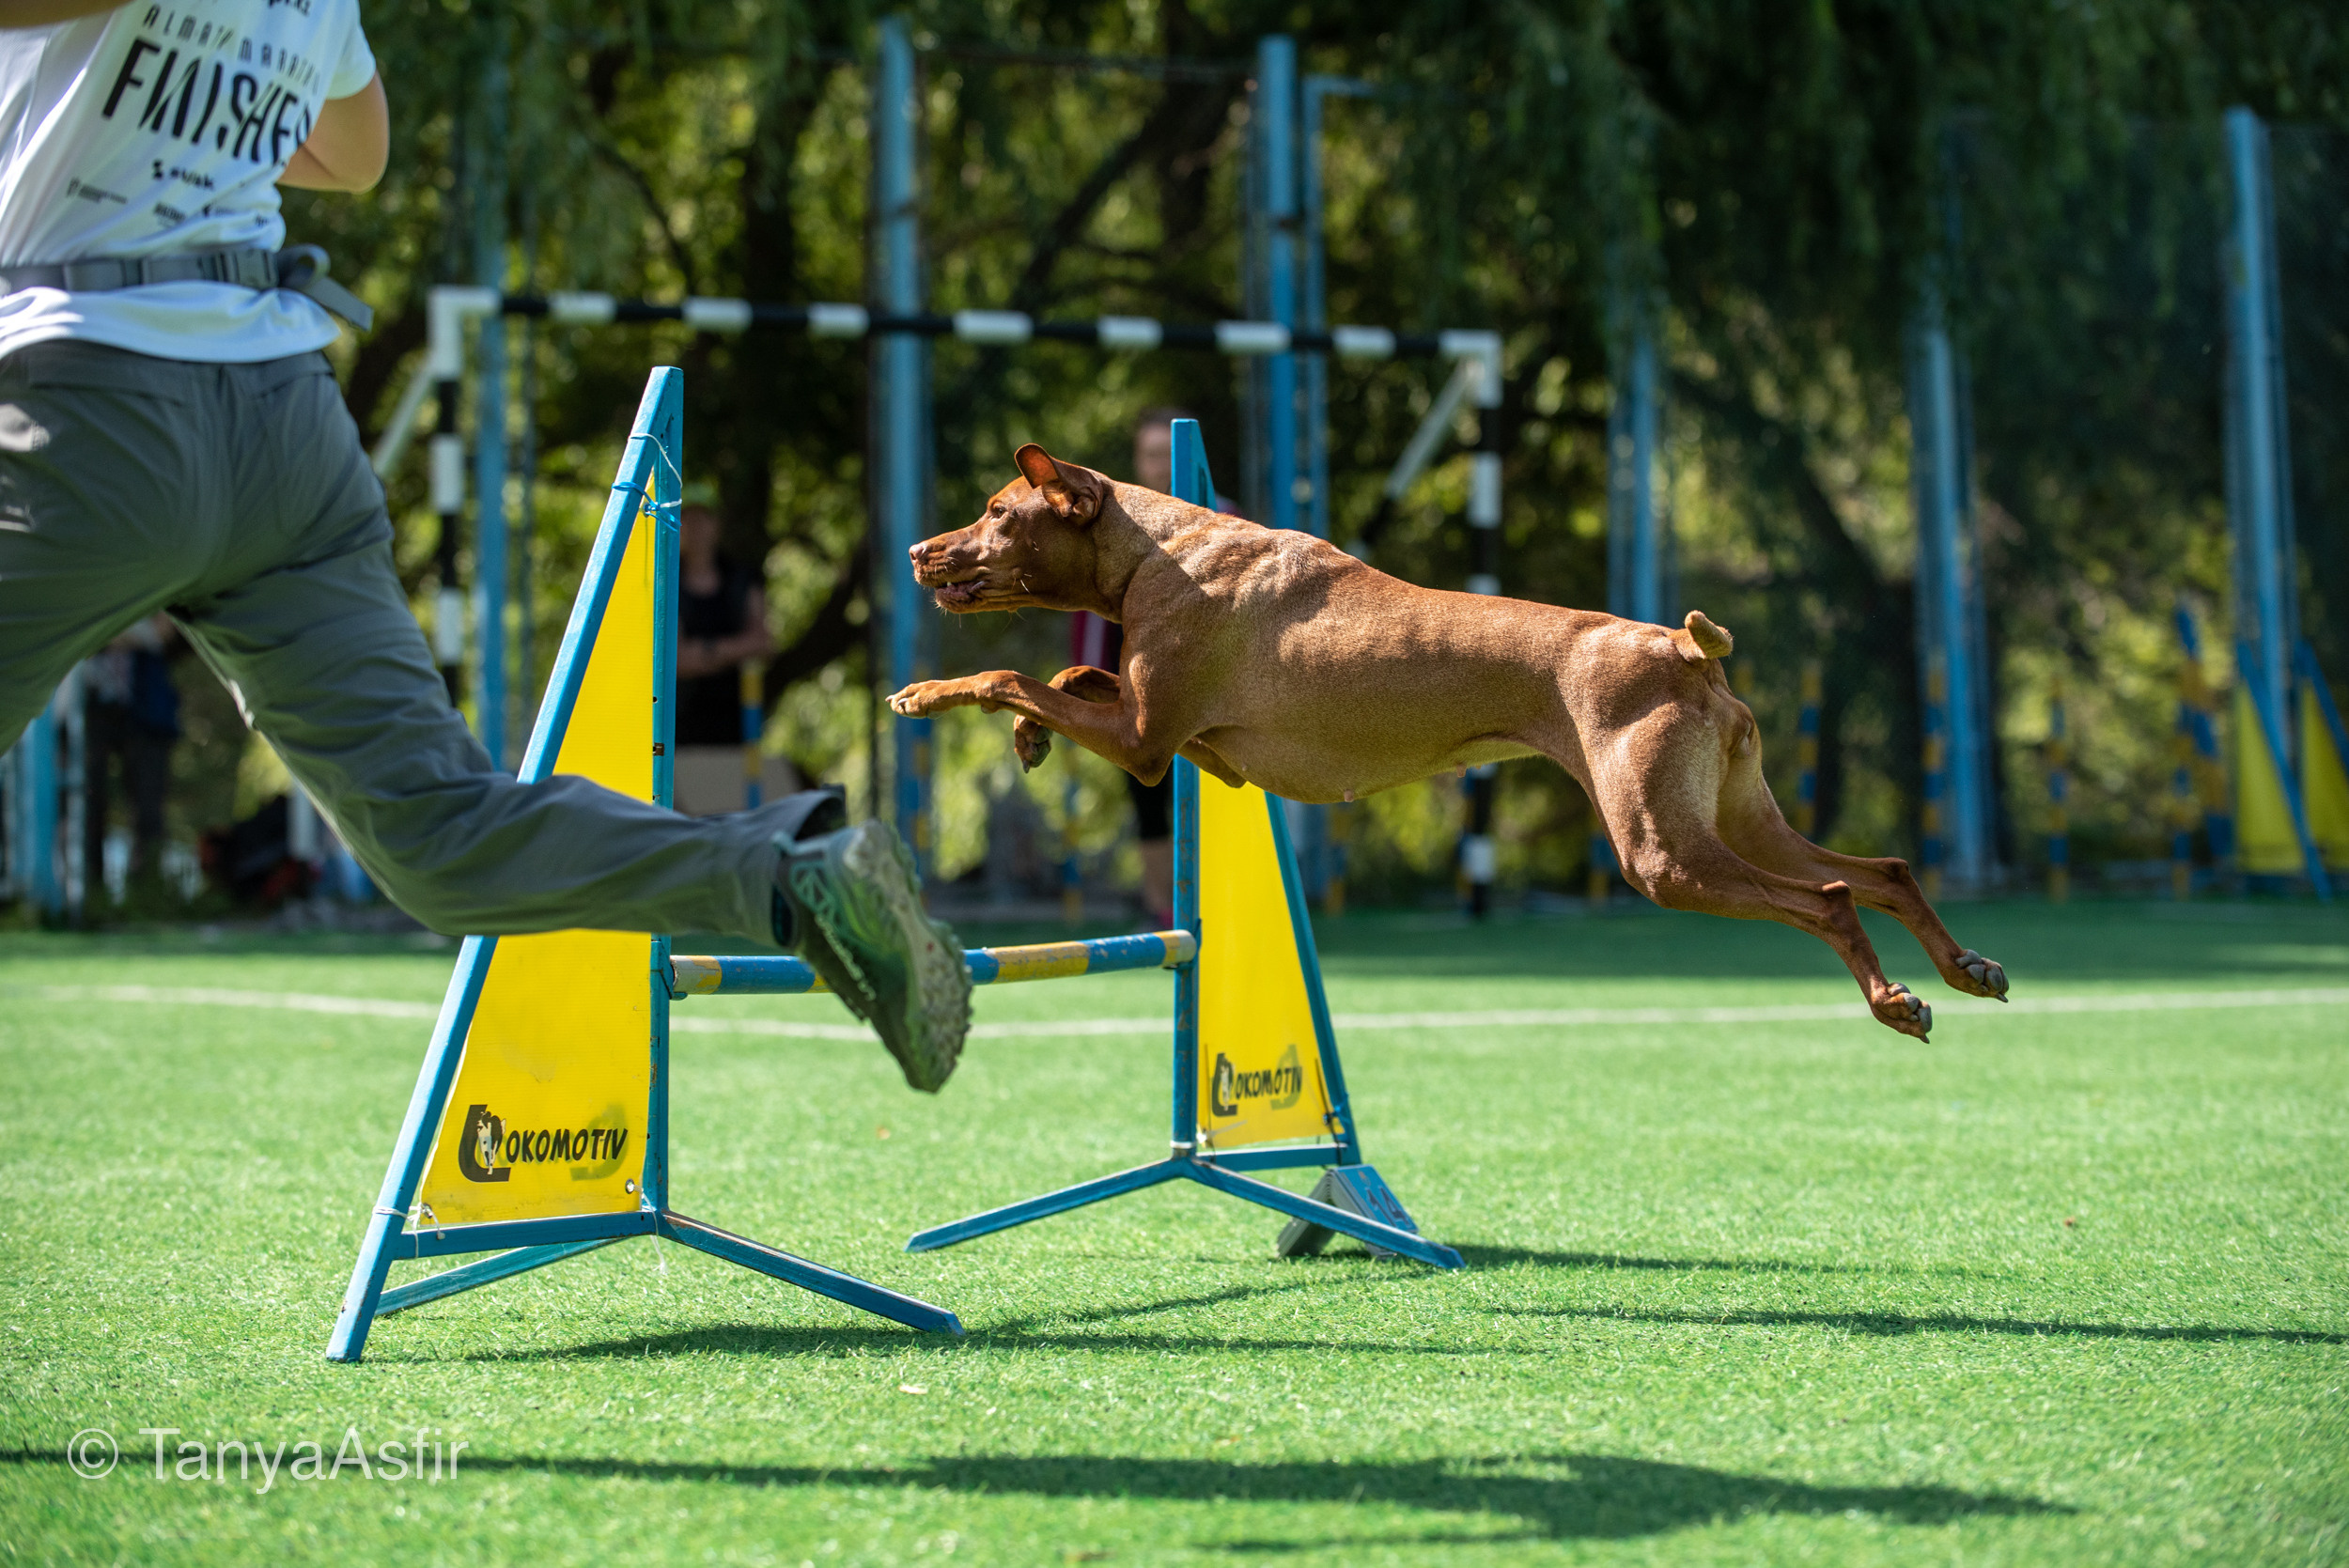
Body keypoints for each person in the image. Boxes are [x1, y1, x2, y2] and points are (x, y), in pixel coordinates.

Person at [0, 0, 970, 1089]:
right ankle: (788, 876)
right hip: (283, 426)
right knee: (438, 831)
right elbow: (352, 154)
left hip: (93, 400)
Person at [672, 499, 791, 815]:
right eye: (687, 519)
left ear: (716, 526)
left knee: (737, 809)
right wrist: (736, 648)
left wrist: (706, 652)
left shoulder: (741, 579)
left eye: (703, 519)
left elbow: (765, 643)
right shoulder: (667, 580)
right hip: (680, 729)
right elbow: (675, 662)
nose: (696, 529)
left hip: (739, 723)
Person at [82, 613, 179, 899]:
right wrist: (136, 634)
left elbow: (165, 630)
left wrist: (100, 633)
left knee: (148, 808)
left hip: (146, 711)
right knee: (86, 802)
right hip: (92, 710)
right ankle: (89, 893)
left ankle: (148, 893)